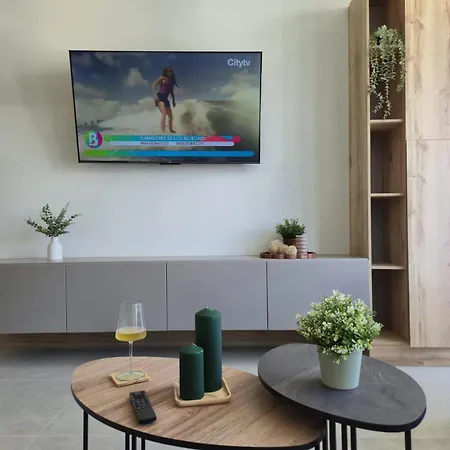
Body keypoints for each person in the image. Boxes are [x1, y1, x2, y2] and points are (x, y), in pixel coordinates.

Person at [152, 67, 178, 133]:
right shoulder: (162, 78)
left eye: (171, 71)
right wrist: (155, 95)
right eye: (168, 71)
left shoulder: (172, 82)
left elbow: (171, 92)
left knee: (171, 116)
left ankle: (171, 130)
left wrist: (174, 101)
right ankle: (163, 132)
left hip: (165, 99)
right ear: (166, 72)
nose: (170, 73)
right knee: (164, 113)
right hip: (160, 97)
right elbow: (154, 84)